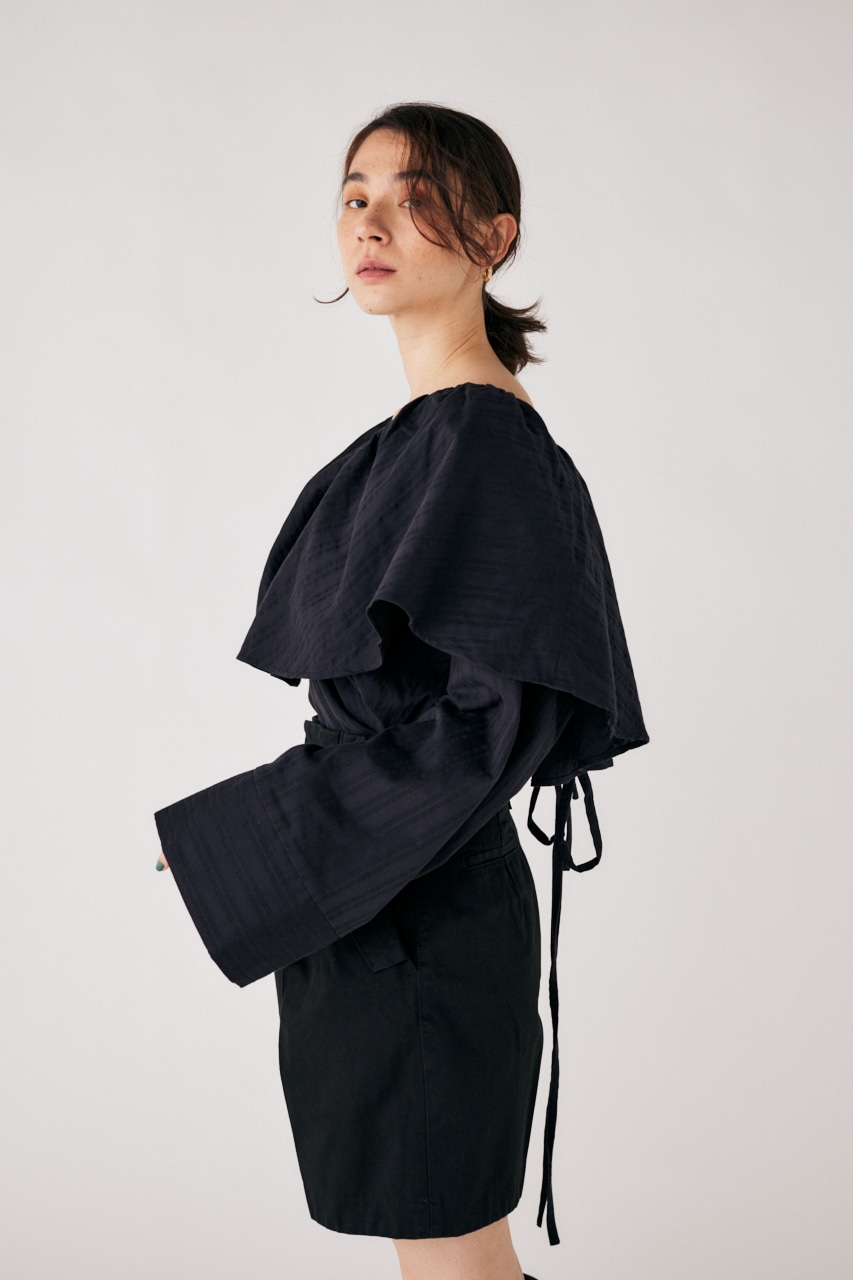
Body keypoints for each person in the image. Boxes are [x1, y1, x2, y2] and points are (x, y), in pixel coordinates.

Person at [154, 102, 649, 1280]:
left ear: (492, 234)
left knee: (452, 1260)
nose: (370, 221)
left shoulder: (485, 440)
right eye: (354, 194)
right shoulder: (421, 434)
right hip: (372, 904)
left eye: (413, 195)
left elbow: (488, 726)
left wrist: (245, 835)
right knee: (435, 1255)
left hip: (419, 913)